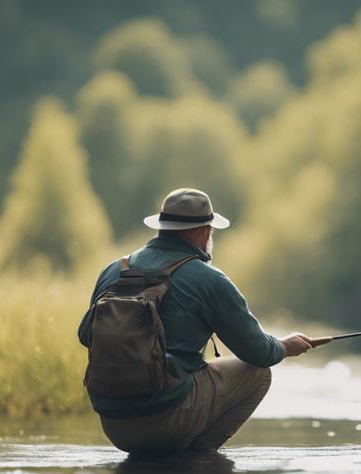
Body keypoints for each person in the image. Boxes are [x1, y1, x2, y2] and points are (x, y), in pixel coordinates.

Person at [78, 188, 328, 453]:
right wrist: (285, 347)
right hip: (165, 421)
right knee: (258, 374)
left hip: (112, 423)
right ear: (206, 231)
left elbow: (86, 337)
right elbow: (259, 352)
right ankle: (199, 458)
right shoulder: (209, 280)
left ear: (162, 227)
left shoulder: (114, 270)